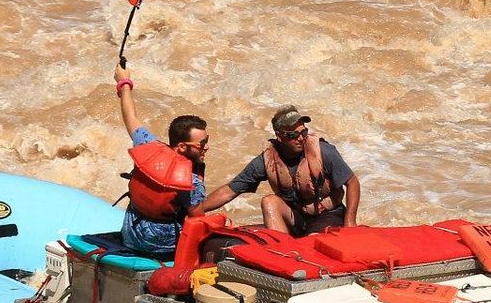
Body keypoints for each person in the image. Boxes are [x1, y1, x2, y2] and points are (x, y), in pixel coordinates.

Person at [194, 105, 359, 235]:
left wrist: (350, 221)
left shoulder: (324, 152)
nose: (301, 138)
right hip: (296, 217)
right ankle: (282, 253)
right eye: (293, 135)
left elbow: (352, 183)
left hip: (327, 215)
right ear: (280, 137)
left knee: (312, 241)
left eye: (304, 132)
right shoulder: (267, 160)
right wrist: (196, 210)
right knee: (269, 201)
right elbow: (230, 190)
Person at [112, 63, 209, 258]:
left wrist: (124, 82)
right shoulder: (192, 182)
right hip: (163, 248)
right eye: (202, 143)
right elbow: (197, 221)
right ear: (182, 146)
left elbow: (130, 116)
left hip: (131, 236)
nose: (207, 147)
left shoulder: (146, 146)